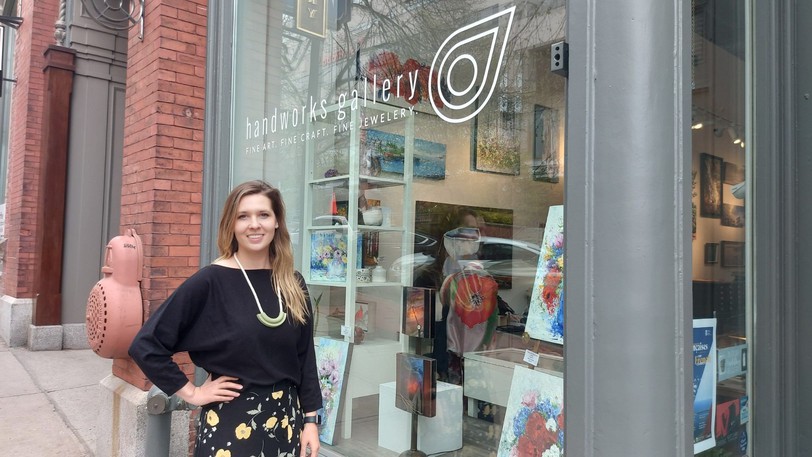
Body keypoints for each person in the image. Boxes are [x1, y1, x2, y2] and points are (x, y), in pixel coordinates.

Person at [129, 180, 321, 457]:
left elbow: (305, 358)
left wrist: (311, 420)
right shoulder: (210, 281)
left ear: (277, 221)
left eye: (263, 215)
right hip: (231, 426)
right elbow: (146, 345)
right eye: (243, 216)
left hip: (286, 424)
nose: (254, 224)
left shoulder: (292, 282)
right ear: (232, 224)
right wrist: (193, 393)